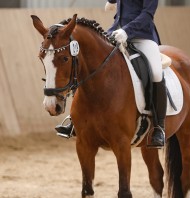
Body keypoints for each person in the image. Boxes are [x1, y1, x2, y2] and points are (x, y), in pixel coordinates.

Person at [56, 0, 167, 147]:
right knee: (88, 62)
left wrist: (127, 30)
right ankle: (75, 119)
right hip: (116, 32)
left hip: (142, 35)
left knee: (156, 73)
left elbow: (147, 14)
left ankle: (159, 127)